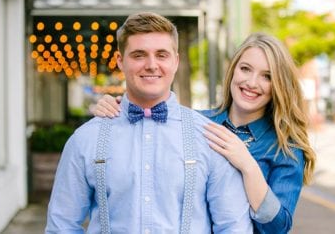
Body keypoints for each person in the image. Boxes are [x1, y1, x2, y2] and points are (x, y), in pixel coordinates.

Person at [46, 12, 254, 233]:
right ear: (120, 61)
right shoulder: (85, 139)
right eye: (139, 55)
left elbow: (233, 226)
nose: (151, 65)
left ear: (176, 61)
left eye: (162, 55)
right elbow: (62, 225)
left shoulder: (210, 137)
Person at [94, 32, 316, 233]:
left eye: (267, 76)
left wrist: (248, 166)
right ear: (233, 70)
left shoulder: (286, 148)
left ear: (278, 85)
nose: (251, 82)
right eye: (245, 69)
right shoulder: (195, 122)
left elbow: (278, 228)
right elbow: (146, 139)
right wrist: (116, 107)